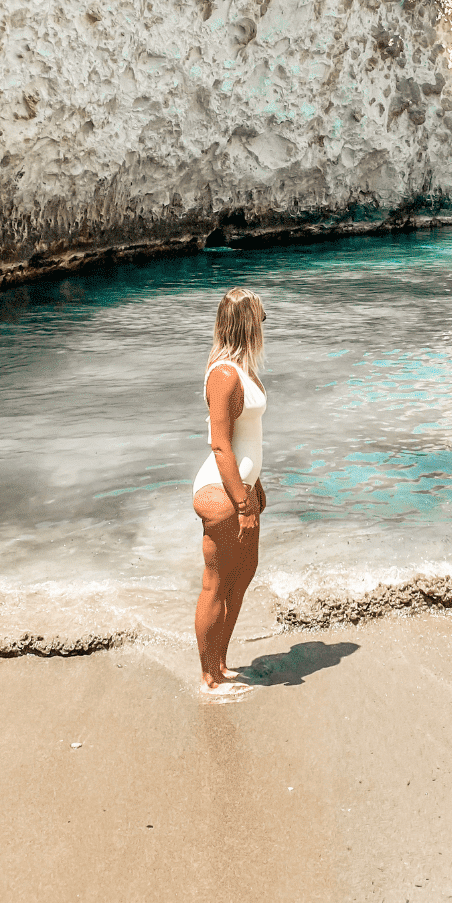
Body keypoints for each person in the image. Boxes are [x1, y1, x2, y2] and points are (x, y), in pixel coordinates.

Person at [192, 286, 268, 696]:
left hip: (243, 488)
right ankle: (207, 677)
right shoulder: (223, 375)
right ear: (246, 324)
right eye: (260, 318)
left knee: (242, 577)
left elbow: (248, 438)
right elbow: (221, 445)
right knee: (216, 585)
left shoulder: (245, 370)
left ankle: (221, 663)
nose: (265, 325)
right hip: (221, 493)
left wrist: (258, 487)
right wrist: (242, 502)